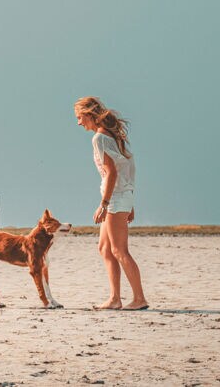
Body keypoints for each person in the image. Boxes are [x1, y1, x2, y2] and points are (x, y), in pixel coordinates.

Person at [74, 96, 148, 310]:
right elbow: (127, 169)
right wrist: (129, 201)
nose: (79, 123)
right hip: (121, 196)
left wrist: (104, 204)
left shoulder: (100, 138)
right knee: (105, 248)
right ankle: (115, 298)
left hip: (115, 198)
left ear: (89, 114)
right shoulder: (111, 136)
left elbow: (112, 172)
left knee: (119, 250)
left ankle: (140, 299)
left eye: (80, 117)